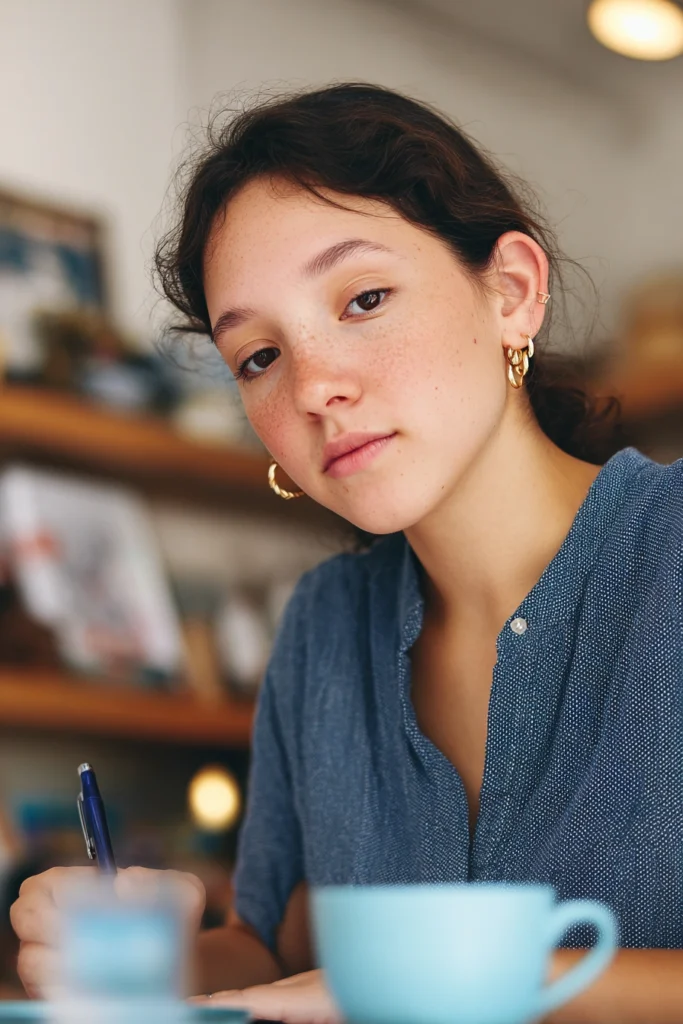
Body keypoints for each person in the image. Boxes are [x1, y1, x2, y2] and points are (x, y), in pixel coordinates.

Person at [11, 82, 683, 1023]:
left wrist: (464, 986)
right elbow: (274, 952)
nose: (316, 386)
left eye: (363, 298)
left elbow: (351, 992)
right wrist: (138, 957)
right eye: (259, 357)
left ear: (512, 293)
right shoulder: (323, 626)